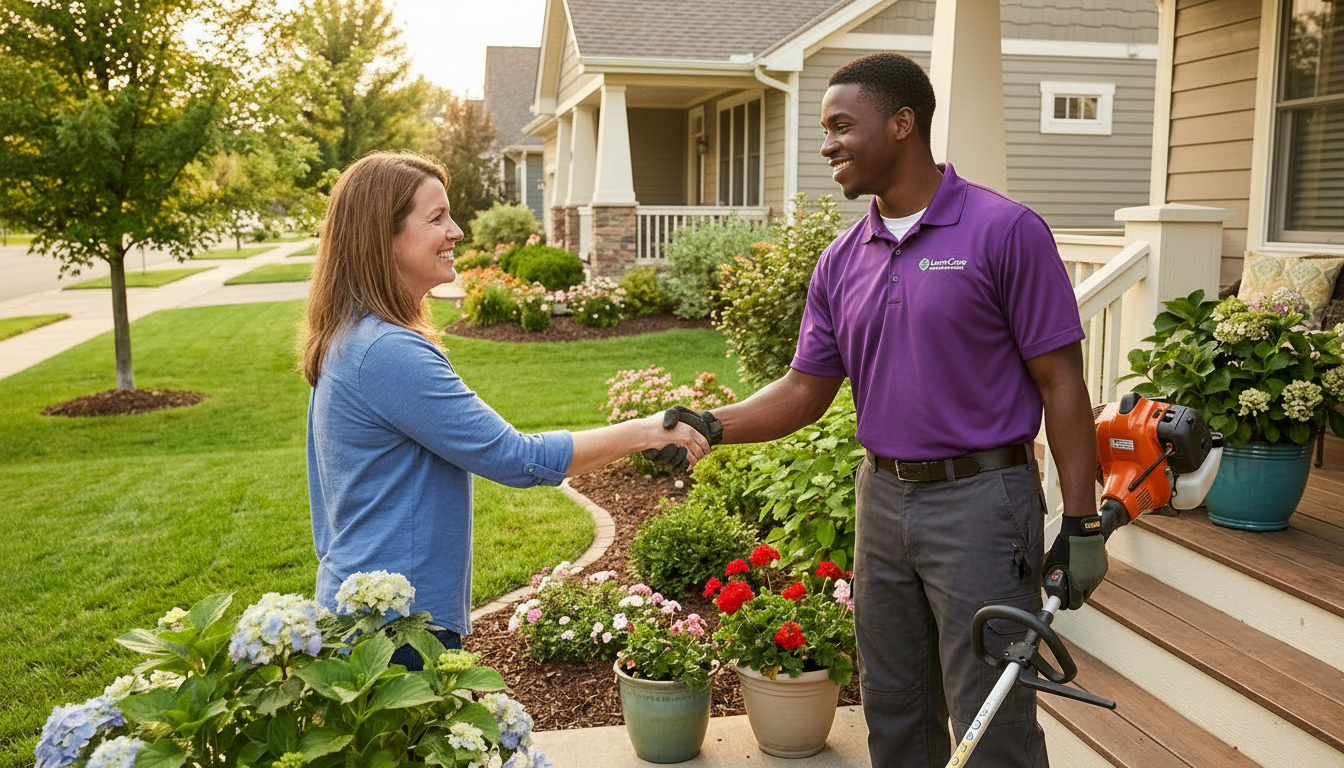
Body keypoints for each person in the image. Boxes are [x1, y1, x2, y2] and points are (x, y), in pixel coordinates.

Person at [662, 53, 1100, 766]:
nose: (827, 144)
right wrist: (710, 425)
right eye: (825, 129)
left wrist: (1080, 521)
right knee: (894, 707)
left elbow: (1062, 384)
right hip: (885, 502)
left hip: (983, 503)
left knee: (991, 716)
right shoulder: (842, 259)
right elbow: (804, 392)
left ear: (902, 123)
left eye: (841, 125)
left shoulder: (1005, 231)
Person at [301, 150, 709, 669]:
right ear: (383, 238)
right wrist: (646, 431)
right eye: (436, 218)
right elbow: (515, 458)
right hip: (395, 629)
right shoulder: (386, 351)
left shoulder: (352, 337)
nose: (457, 231)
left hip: (363, 610)